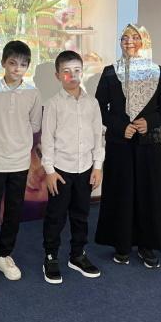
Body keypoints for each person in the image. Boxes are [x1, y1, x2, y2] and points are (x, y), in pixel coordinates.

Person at [95, 24, 161, 269]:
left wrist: (149, 122)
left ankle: (146, 245)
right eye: (125, 37)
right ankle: (122, 244)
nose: (129, 41)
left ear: (145, 41)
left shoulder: (157, 71)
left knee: (148, 195)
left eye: (135, 37)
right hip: (120, 144)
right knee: (121, 193)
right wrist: (120, 127)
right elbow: (98, 108)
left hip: (148, 145)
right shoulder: (110, 72)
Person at [0, 40, 42, 289]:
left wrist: (17, 140)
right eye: (12, 63)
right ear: (3, 63)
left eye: (23, 64)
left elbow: (34, 125)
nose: (17, 69)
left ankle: (4, 255)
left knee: (14, 210)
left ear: (28, 67)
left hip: (20, 162)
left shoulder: (33, 93)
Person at [41, 50, 104, 284]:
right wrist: (49, 171)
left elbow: (98, 136)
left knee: (81, 215)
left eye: (77, 70)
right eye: (66, 71)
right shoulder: (53, 104)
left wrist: (97, 166)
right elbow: (47, 140)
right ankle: (51, 256)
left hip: (85, 169)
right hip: (61, 171)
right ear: (57, 75)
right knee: (56, 217)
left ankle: (77, 255)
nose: (72, 75)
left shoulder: (92, 103)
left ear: (82, 72)